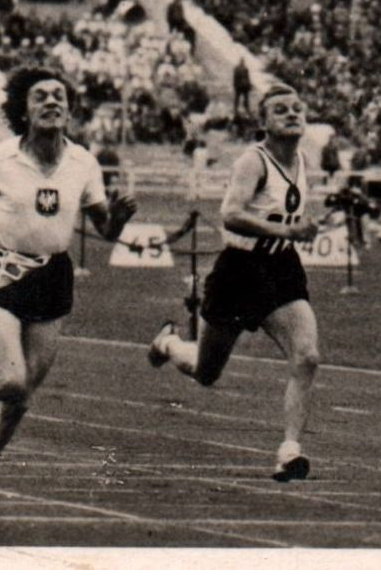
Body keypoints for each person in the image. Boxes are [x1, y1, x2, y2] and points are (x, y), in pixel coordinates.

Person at [0, 67, 137, 516]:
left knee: (20, 399)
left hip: (53, 278)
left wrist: (119, 219)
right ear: (23, 110)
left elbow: (103, 226)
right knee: (10, 381)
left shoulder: (83, 162)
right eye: (41, 96)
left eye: (59, 96)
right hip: (4, 273)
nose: (52, 102)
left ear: (69, 108)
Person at [147, 83, 322, 482]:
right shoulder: (253, 162)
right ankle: (168, 342)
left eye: (297, 108)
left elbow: (283, 214)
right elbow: (230, 213)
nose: (292, 114)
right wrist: (290, 230)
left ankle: (290, 449)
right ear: (263, 122)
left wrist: (292, 233)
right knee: (206, 372)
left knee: (307, 356)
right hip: (239, 271)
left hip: (280, 269)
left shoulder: (302, 161)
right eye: (281, 110)